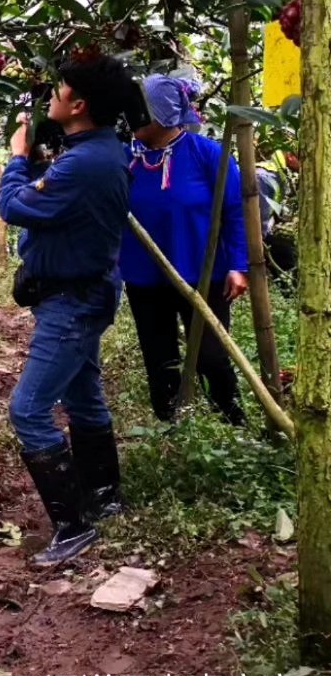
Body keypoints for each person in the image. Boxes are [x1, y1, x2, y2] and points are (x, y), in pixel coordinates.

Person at [0, 56, 137, 566]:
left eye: (59, 89)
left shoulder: (85, 162)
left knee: (28, 410)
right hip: (84, 291)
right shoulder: (95, 151)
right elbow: (54, 200)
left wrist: (17, 160)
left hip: (73, 302)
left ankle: (74, 525)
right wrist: (38, 167)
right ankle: (104, 497)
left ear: (78, 105)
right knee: (84, 397)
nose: (51, 95)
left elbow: (14, 206)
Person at [119, 76, 248, 426]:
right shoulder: (125, 157)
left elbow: (234, 213)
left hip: (203, 273)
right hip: (144, 275)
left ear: (161, 116)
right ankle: (170, 425)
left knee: (211, 356)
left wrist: (238, 264)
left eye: (138, 111)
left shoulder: (208, 155)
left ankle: (232, 422)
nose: (129, 118)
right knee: (158, 356)